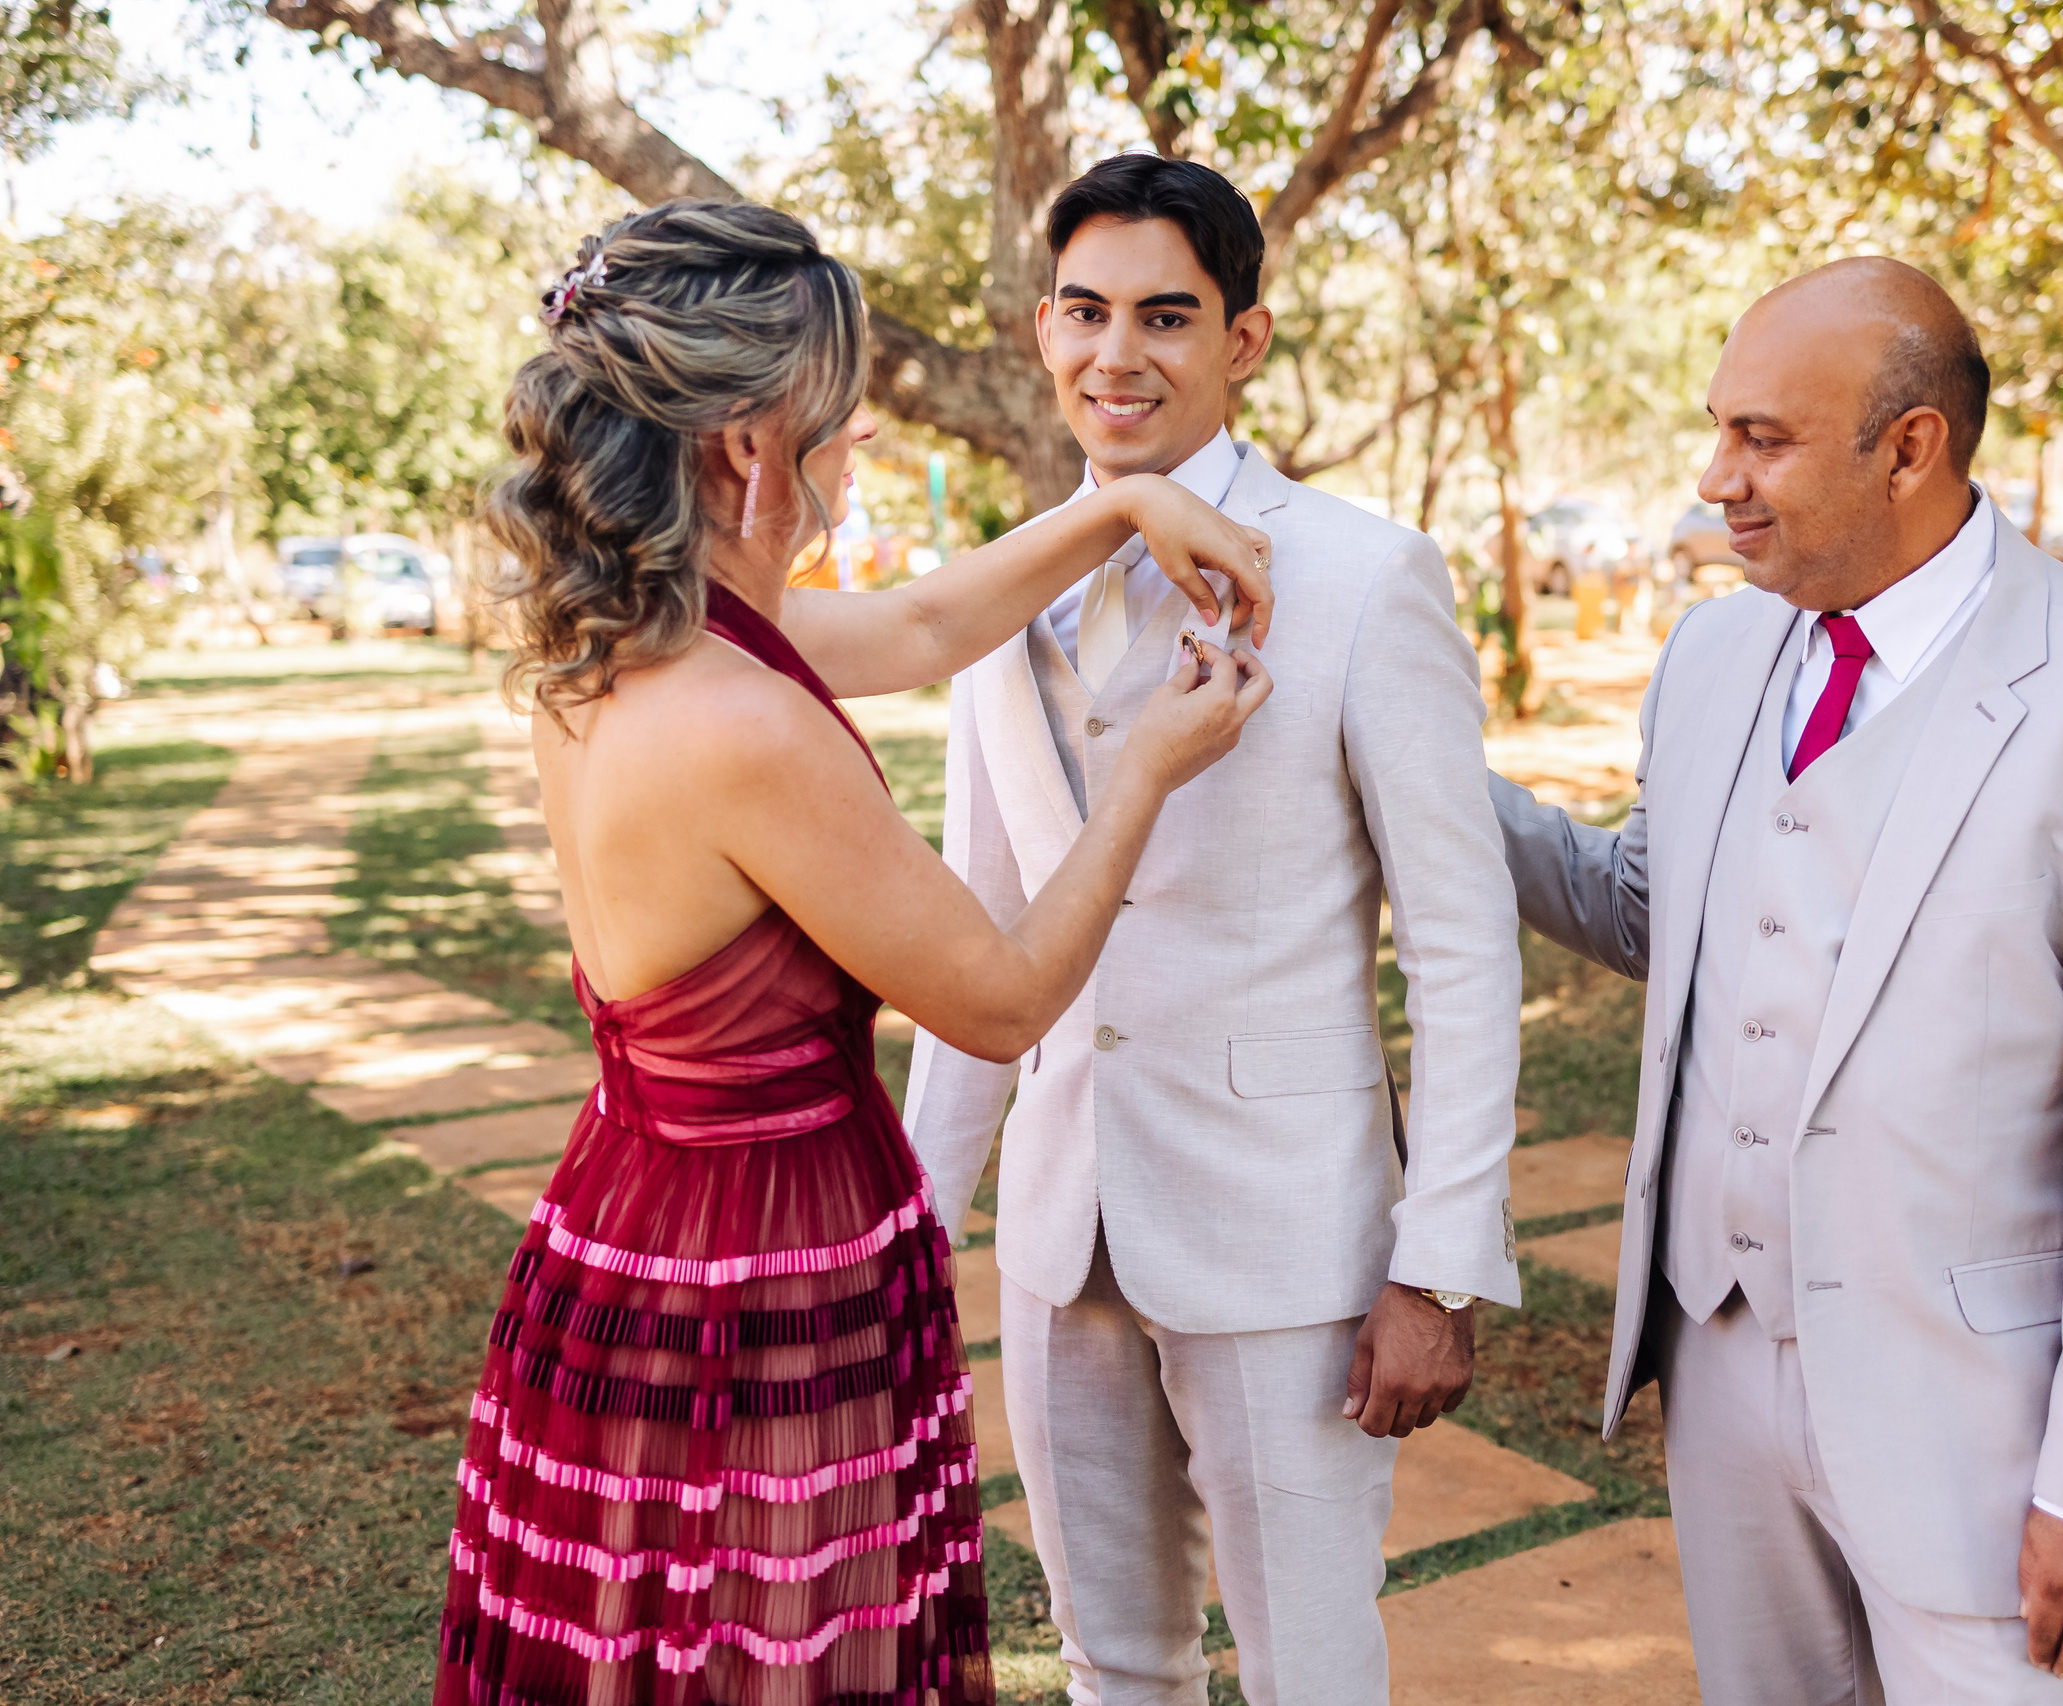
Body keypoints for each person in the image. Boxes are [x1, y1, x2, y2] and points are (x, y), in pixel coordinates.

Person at [434, 198, 1275, 1706]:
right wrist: (1147, 767)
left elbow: (927, 620)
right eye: (840, 424)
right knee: (770, 1658)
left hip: (634, 1217)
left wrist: (1119, 507)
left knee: (668, 1645)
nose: (855, 454)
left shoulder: (630, 644)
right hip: (750, 1266)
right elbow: (1002, 996)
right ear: (755, 448)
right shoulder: (745, 729)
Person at [1490, 258, 2063, 1703]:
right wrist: (1426, 778)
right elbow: (1653, 911)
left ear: (1910, 446)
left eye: (1764, 439)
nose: (1716, 477)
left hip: (1972, 1410)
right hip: (1716, 1355)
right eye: (1720, 427)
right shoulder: (1717, 651)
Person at [903, 153, 1522, 1705]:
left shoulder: (1366, 576)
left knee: (1311, 1668)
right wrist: (916, 1222)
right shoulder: (1001, 596)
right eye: (1089, 314)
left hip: (1289, 1241)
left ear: (1243, 340)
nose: (1122, 356)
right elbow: (982, 925)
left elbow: (1461, 944)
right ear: (1044, 328)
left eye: (1168, 317)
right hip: (1061, 1231)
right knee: (1115, 1661)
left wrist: (1437, 1266)